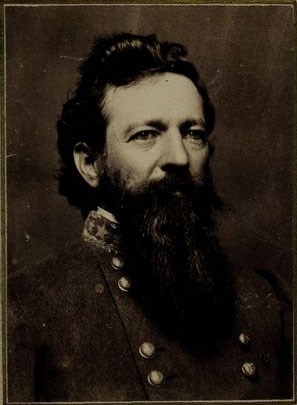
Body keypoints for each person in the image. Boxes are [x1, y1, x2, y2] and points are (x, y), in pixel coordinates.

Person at [8, 33, 292, 402]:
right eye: (146, 134)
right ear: (91, 163)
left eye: (193, 133)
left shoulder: (266, 301)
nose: (178, 157)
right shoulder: (25, 307)